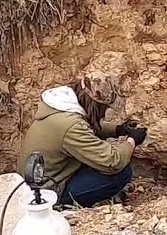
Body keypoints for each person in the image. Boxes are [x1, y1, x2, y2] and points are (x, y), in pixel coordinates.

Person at [16, 75, 147, 207]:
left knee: (93, 159)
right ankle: (64, 204)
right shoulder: (71, 126)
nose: (104, 113)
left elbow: (87, 129)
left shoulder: (60, 109)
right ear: (96, 105)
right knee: (121, 173)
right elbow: (112, 161)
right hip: (46, 192)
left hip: (33, 182)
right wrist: (132, 141)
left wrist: (119, 129)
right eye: (105, 109)